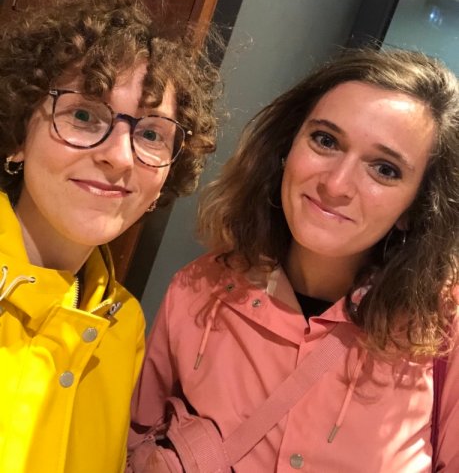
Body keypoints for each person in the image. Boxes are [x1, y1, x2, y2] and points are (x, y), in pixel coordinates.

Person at [129, 48, 459, 472]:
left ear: (416, 206)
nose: (336, 185)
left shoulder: (442, 327)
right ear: (287, 146)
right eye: (326, 141)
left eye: (385, 169)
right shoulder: (197, 290)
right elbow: (136, 443)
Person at [0, 0, 219, 473]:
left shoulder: (124, 327)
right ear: (17, 135)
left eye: (151, 134)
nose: (119, 156)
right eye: (83, 115)